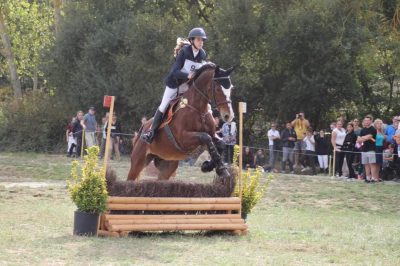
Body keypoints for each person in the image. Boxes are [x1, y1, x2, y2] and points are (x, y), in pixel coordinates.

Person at [141, 28, 208, 144]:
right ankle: (151, 133)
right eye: (198, 40)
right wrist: (188, 75)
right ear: (192, 40)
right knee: (163, 106)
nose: (201, 42)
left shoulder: (202, 54)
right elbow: (174, 72)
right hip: (174, 84)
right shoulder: (184, 52)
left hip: (186, 86)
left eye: (202, 40)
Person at [357, 115, 378, 183]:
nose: (366, 122)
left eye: (368, 120)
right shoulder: (363, 129)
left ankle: (373, 178)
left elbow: (369, 137)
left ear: (371, 121)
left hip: (371, 149)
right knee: (366, 164)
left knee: (372, 164)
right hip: (364, 149)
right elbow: (358, 140)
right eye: (365, 120)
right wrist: (364, 138)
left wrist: (363, 138)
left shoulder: (373, 129)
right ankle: (367, 178)